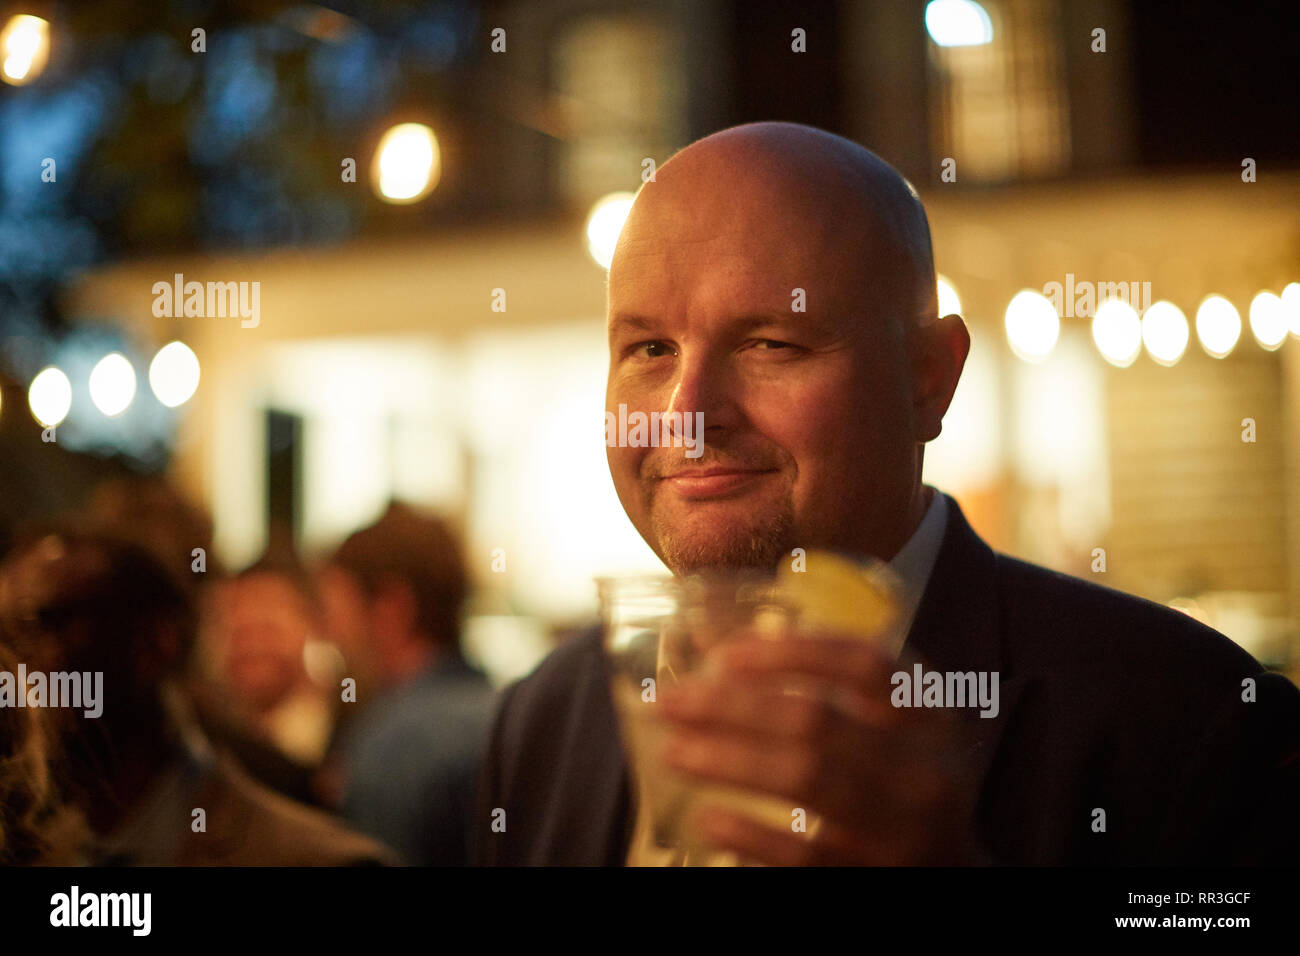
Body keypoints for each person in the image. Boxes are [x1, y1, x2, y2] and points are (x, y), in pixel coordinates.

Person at [473, 121, 1300, 865]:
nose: (687, 416)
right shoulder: (542, 723)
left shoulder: (1192, 722)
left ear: (928, 381)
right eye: (650, 348)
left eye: (770, 342)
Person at [0, 531, 395, 866]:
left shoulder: (323, 850)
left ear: (157, 644)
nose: (17, 663)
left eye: (42, 625)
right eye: (238, 630)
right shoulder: (35, 848)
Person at [317, 502, 497, 865]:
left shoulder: (392, 746)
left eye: (336, 611)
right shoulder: (516, 710)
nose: (329, 635)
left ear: (391, 608)